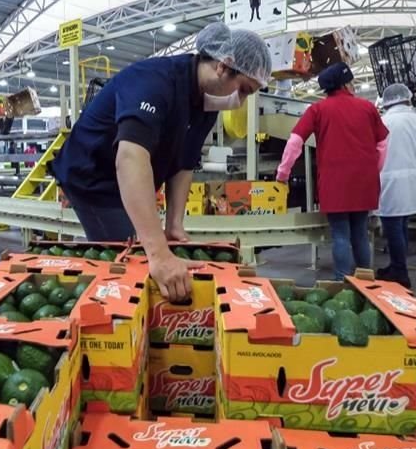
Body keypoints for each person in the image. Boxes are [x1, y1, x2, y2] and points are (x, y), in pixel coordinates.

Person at [51, 22, 271, 301]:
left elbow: (185, 162)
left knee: (146, 246)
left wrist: (174, 224)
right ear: (223, 66)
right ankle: (111, 319)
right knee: (131, 259)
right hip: (93, 178)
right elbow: (130, 157)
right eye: (243, 89)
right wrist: (158, 253)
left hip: (125, 178)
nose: (239, 102)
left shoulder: (208, 102)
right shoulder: (154, 81)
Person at [276, 62, 390, 280]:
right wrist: (373, 169)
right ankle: (366, 282)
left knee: (340, 235)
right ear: (345, 84)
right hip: (364, 182)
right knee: (360, 233)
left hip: (334, 183)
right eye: (352, 82)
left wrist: (283, 173)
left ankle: (342, 281)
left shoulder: (317, 110)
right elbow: (383, 142)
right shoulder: (367, 108)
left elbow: (295, 141)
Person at [376, 84, 416, 289]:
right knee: (402, 226)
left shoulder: (383, 122)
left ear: (386, 102)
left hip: (390, 181)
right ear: (408, 99)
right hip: (415, 182)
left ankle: (400, 273)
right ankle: (396, 265)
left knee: (393, 228)